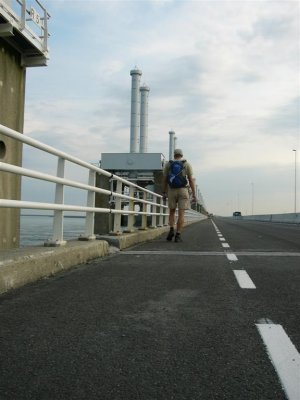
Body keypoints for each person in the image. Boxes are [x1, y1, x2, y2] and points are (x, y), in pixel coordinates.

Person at [162, 148, 197, 242]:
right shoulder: (186, 164)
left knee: (172, 212)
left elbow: (165, 179)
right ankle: (178, 235)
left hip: (171, 190)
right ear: (181, 155)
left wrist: (164, 192)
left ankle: (171, 230)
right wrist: (194, 194)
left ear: (174, 155)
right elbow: (190, 180)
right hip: (183, 190)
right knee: (181, 213)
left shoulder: (168, 164)